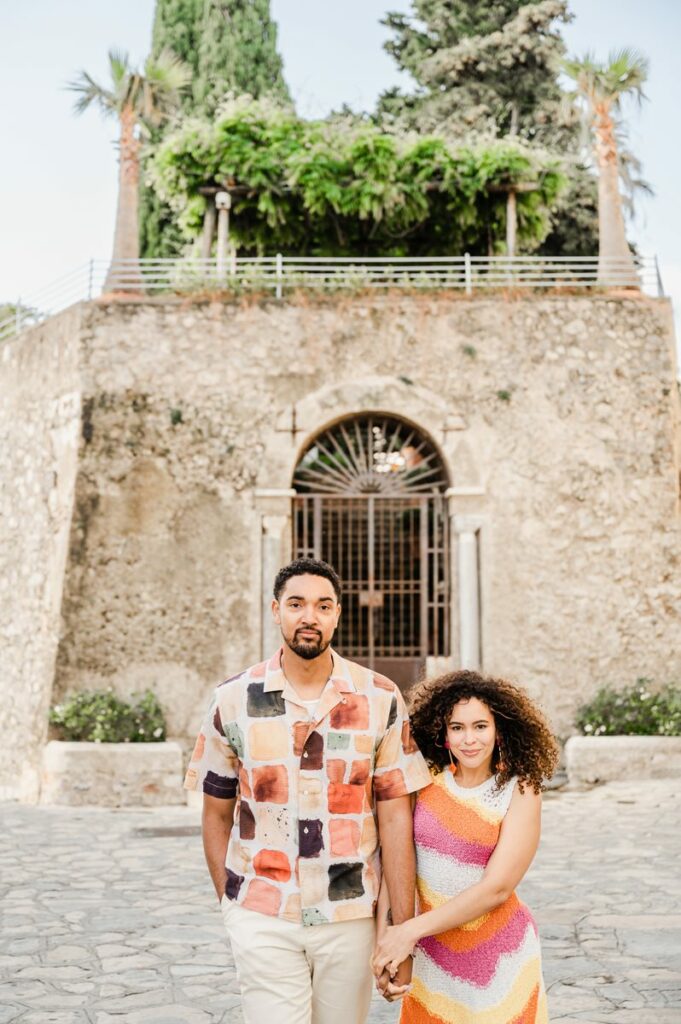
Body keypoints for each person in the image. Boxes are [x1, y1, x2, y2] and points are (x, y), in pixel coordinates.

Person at [184, 557, 432, 1024]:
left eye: (323, 606)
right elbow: (216, 811)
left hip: (351, 913)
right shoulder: (233, 700)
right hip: (262, 912)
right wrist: (231, 902)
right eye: (296, 604)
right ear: (276, 610)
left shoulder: (380, 698)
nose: (309, 617)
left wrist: (400, 927)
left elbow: (396, 816)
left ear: (338, 615)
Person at [372, 669, 559, 1023]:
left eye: (480, 726)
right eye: (457, 727)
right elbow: (396, 866)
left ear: (499, 729)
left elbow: (497, 888)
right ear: (443, 733)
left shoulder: (521, 788)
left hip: (501, 963)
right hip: (433, 961)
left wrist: (408, 933)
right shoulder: (424, 782)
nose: (469, 739)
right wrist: (387, 946)